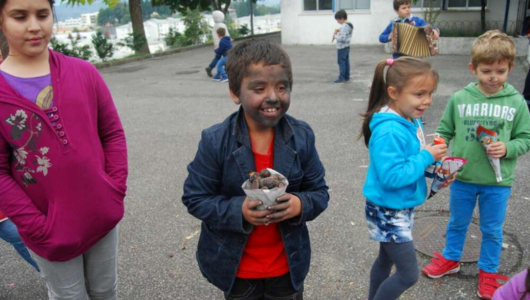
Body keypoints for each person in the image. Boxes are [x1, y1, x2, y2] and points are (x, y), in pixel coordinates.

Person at [182, 39, 329, 300]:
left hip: (287, 267)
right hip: (238, 271)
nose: (273, 96)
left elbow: (319, 192)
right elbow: (196, 197)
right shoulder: (216, 140)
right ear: (235, 92)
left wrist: (299, 204)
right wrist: (238, 210)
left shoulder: (301, 136)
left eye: (282, 87)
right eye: (259, 88)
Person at [0, 0, 128, 299]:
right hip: (48, 230)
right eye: (20, 16)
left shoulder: (84, 72)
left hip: (101, 214)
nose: (34, 26)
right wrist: (35, 225)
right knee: (69, 296)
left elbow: (112, 133)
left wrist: (114, 188)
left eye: (42, 15)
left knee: (105, 290)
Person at [422, 30, 530, 300]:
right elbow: (444, 131)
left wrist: (507, 148)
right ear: (473, 68)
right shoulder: (460, 99)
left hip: (497, 182)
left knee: (492, 229)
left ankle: (489, 271)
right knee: (457, 222)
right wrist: (438, 151)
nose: (493, 76)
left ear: (510, 68)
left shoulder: (516, 102)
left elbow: (526, 138)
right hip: (464, 178)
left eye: (500, 71)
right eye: (486, 70)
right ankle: (451, 258)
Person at [359, 57, 447, 300]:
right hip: (388, 210)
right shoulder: (389, 130)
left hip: (398, 205)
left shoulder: (410, 118)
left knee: (385, 260)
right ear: (393, 92)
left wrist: (435, 168)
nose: (427, 101)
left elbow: (413, 158)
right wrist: (427, 156)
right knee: (408, 275)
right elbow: (392, 176)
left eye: (430, 93)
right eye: (419, 94)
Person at [205, 10, 230, 77]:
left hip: (218, 44)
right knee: (226, 56)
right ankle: (226, 70)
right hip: (224, 44)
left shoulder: (215, 26)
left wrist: (216, 44)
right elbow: (226, 34)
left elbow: (214, 35)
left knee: (218, 57)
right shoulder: (223, 25)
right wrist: (229, 40)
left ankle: (210, 67)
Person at [332, 9, 353, 84]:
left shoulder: (344, 26)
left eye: (338, 20)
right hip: (347, 46)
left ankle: (341, 77)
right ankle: (347, 77)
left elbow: (342, 38)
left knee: (341, 62)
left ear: (341, 18)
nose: (337, 22)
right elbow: (346, 34)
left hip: (342, 47)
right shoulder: (349, 25)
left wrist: (335, 36)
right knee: (346, 62)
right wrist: (340, 31)